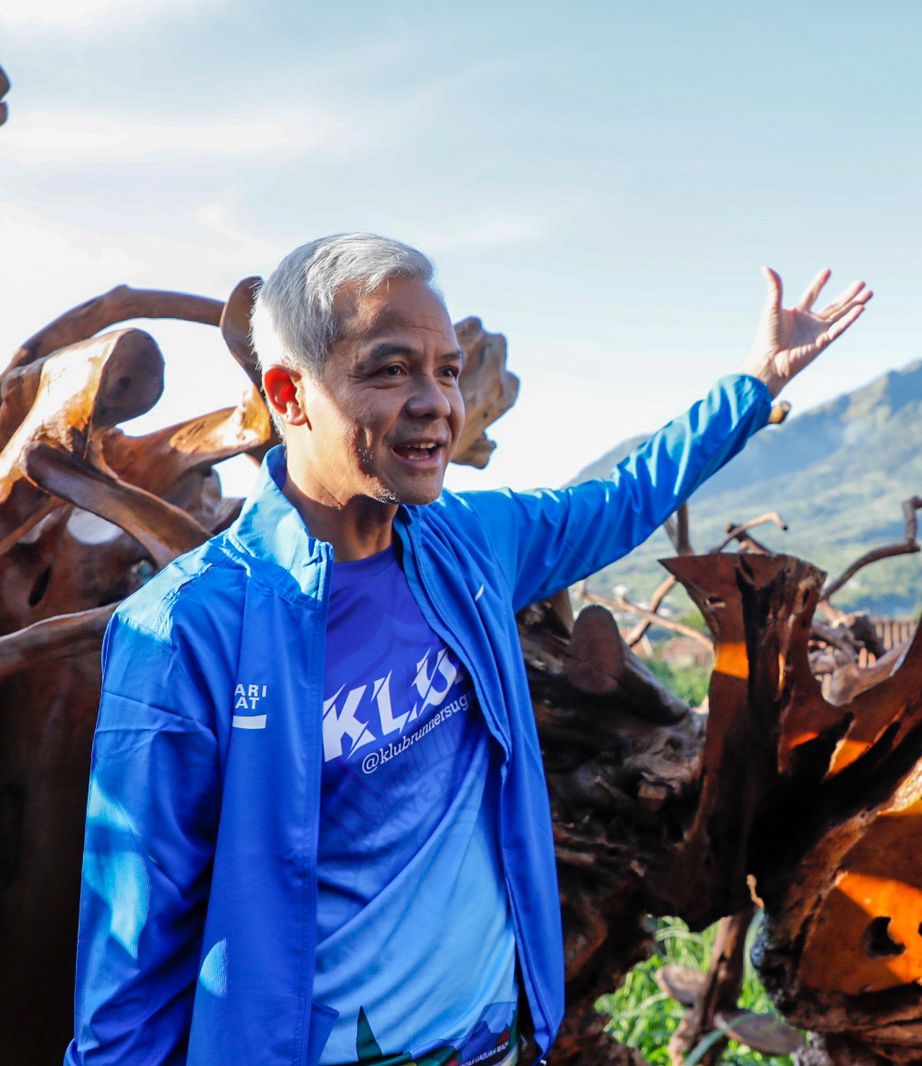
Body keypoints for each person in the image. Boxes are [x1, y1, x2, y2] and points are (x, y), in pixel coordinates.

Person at [65, 233, 871, 1066]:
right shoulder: (188, 629)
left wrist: (756, 384)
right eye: (390, 369)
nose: (436, 403)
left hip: (496, 1043)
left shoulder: (469, 546)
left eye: (446, 371)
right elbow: (132, 951)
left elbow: (625, 497)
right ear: (289, 393)